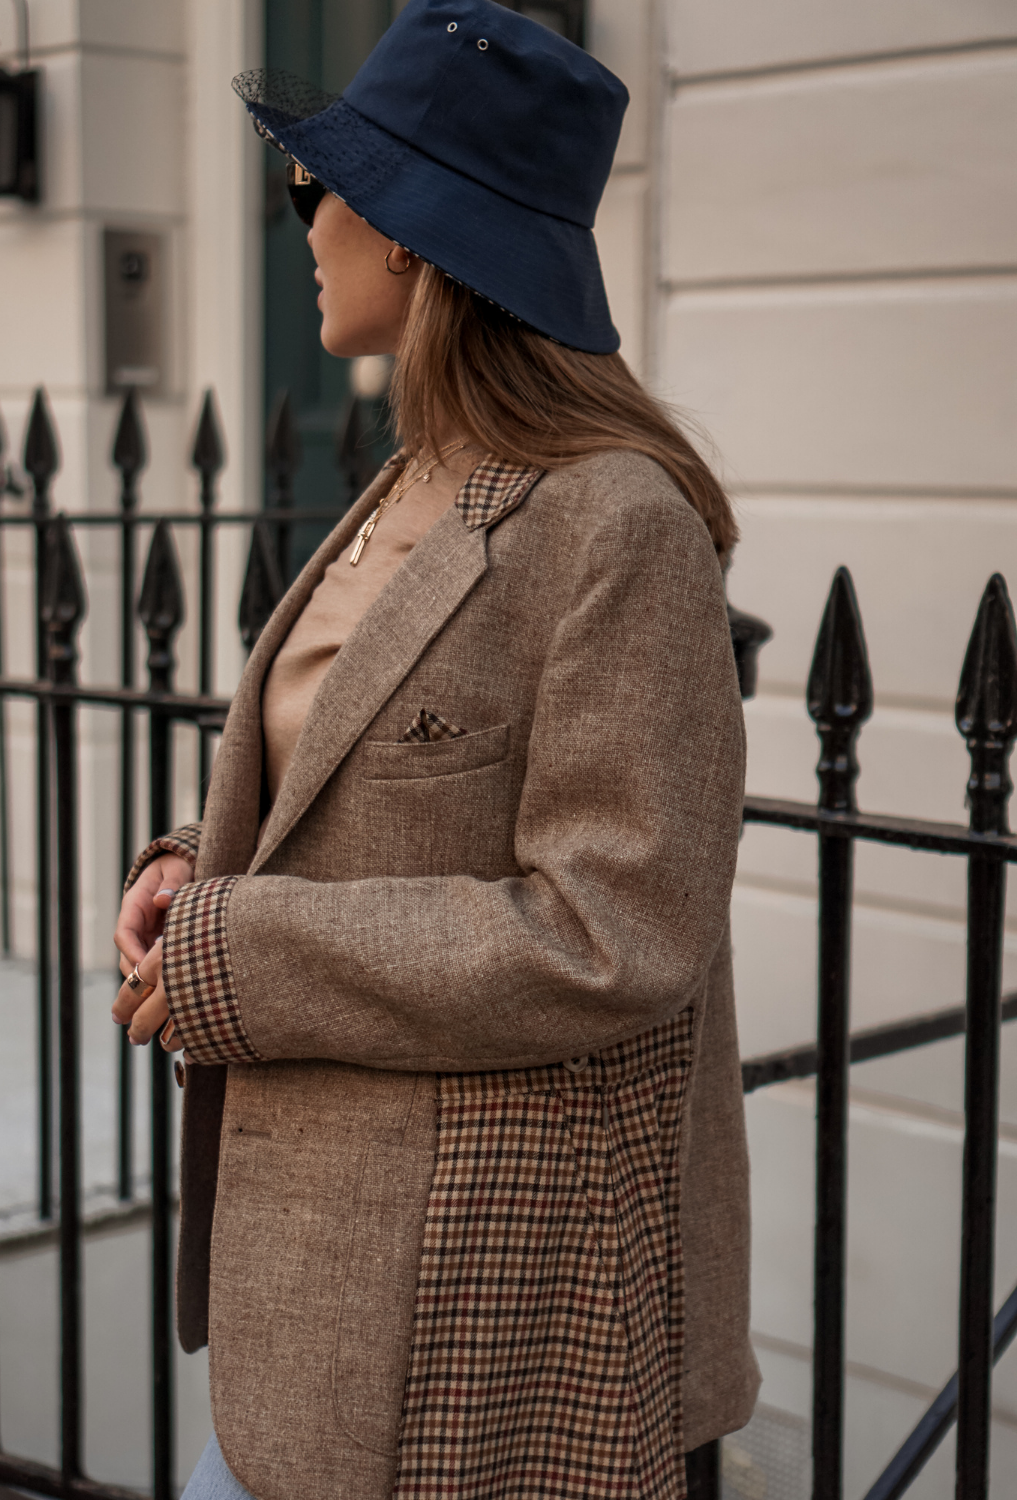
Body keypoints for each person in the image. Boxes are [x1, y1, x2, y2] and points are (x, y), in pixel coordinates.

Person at [112, 2, 758, 1496]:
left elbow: (618, 929)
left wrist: (238, 954)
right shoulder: (414, 475)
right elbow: (356, 801)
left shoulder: (615, 525)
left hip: (474, 1322)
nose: (305, 217)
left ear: (410, 232)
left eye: (317, 183)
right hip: (318, 1297)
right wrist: (187, 875)